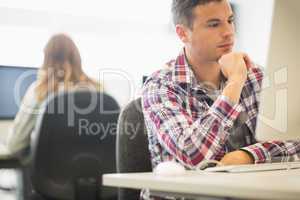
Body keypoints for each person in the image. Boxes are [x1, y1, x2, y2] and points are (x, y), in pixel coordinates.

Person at [141, 0, 300, 199]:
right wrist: (234, 83)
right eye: (214, 24)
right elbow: (193, 155)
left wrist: (247, 156)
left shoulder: (255, 75)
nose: (228, 32)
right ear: (183, 33)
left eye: (230, 20)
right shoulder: (160, 86)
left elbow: (294, 137)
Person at [0, 33, 100, 158]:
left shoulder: (39, 92)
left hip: (47, 174)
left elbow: (15, 144)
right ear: (77, 58)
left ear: (46, 59)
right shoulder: (100, 91)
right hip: (94, 171)